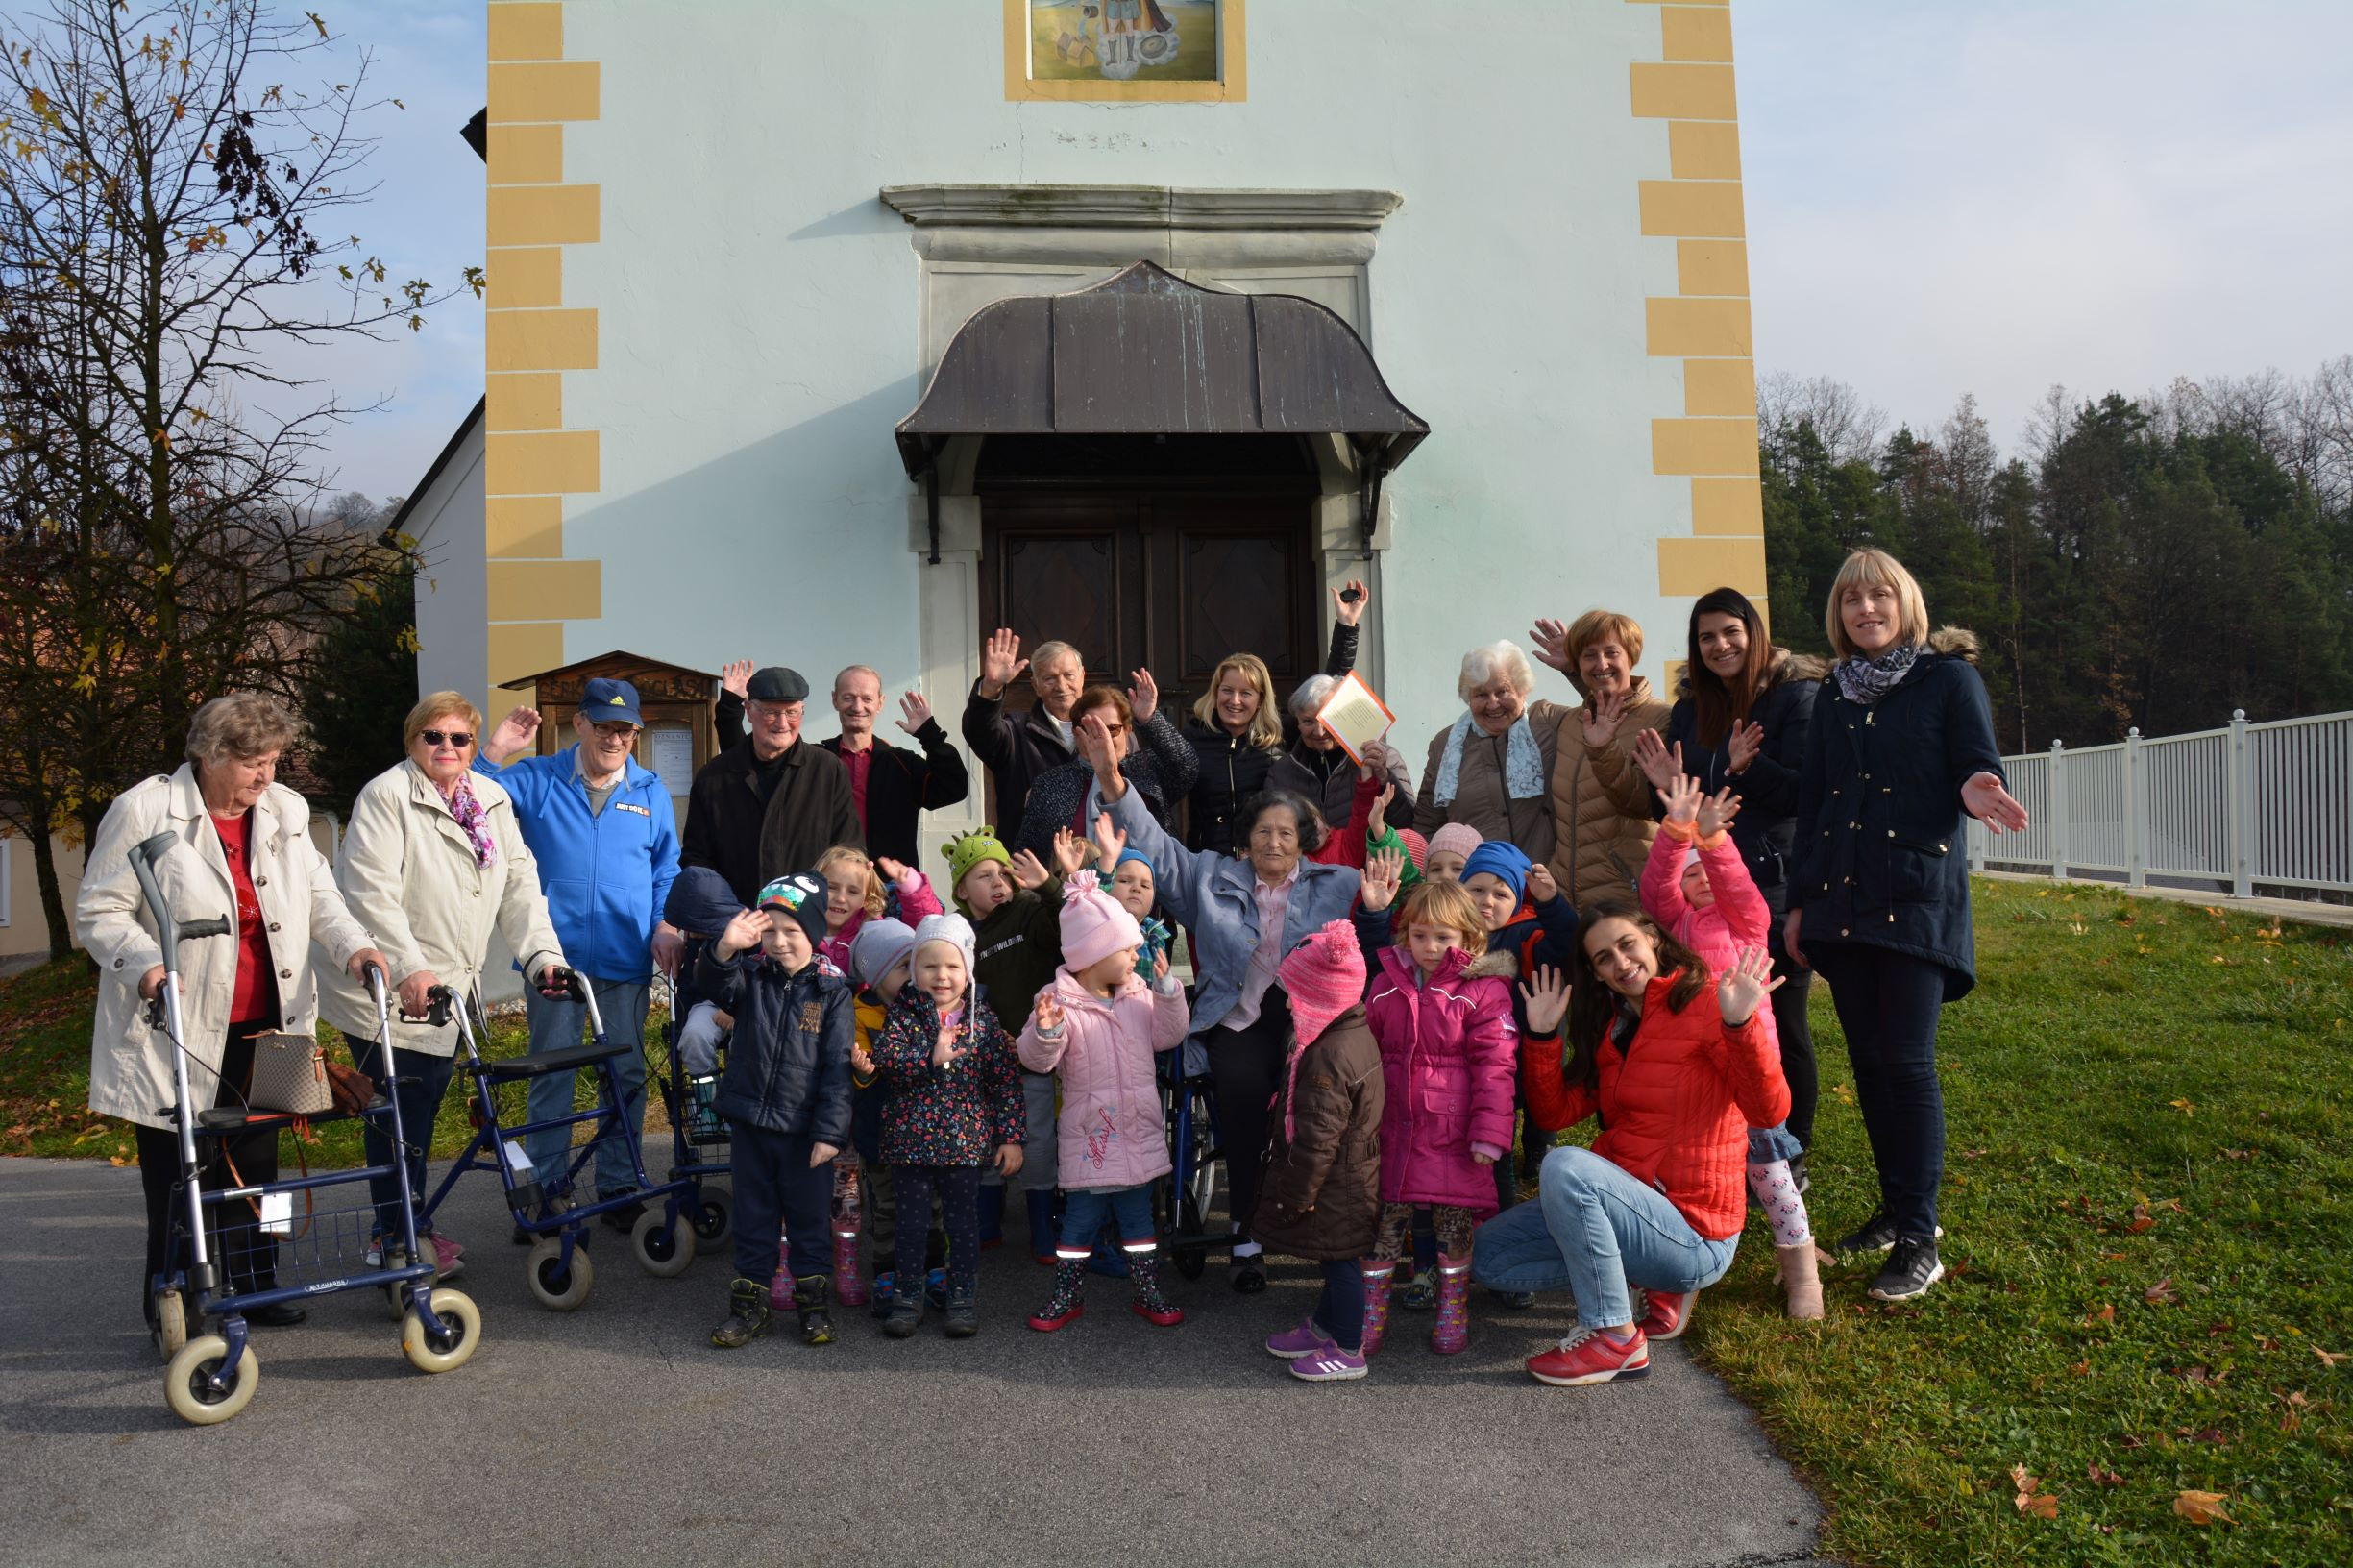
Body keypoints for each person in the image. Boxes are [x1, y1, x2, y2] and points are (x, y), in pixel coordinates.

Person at [79, 693, 386, 1337]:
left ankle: (260, 1281)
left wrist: (354, 946)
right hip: (180, 1027)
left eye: (273, 761)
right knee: (178, 1175)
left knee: (263, 1167)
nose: (265, 777)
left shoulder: (286, 810)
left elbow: (320, 894)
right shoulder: (144, 809)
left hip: (271, 1022)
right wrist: (145, 965)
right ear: (211, 755)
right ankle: (176, 1298)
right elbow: (99, 911)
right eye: (253, 763)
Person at [1789, 549, 2028, 1303]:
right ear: (1839, 614)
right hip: (1841, 903)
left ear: (1904, 604)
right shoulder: (1833, 693)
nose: (1866, 610)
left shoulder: (1948, 678)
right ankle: (1893, 1213)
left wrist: (1977, 785)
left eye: (1879, 597)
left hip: (1915, 898)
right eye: (1852, 600)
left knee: (1905, 1062)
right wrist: (1799, 902)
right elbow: (1817, 799)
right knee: (1867, 1064)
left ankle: (1921, 1236)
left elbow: (1971, 762)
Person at [1084, 712, 1361, 1292]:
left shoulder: (1337, 883)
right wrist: (1112, 778)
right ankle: (1246, 1225)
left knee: (1320, 1096)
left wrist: (1383, 878)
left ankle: (1320, 1218)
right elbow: (1155, 848)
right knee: (1237, 1090)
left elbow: (1399, 880)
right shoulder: (1209, 877)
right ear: (1245, 839)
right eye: (1263, 832)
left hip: (1310, 1024)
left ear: (1304, 840)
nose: (1274, 842)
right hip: (1236, 1019)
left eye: (1287, 833)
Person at [1475, 903, 1788, 1386]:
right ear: (1596, 974)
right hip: (1630, 1209)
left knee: (1566, 1167)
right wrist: (1541, 1036)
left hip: (1693, 1230)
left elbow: (1768, 1113)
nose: (1620, 963)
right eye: (1603, 958)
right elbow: (1554, 1114)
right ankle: (1634, 1278)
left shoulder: (1708, 1003)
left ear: (1653, 940)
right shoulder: (1614, 1029)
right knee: (1486, 1259)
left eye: (1626, 945)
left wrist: (1740, 1026)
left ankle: (1615, 1337)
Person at [321, 693, 569, 1273]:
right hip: (388, 983)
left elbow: (519, 887)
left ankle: (410, 1226)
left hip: (451, 987)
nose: (447, 748)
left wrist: (542, 958)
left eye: (459, 739)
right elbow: (369, 895)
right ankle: (396, 1236)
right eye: (433, 737)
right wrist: (411, 969)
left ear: (472, 746)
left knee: (424, 1101)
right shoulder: (386, 796)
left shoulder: (490, 797)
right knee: (400, 1110)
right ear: (412, 742)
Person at [477, 681, 684, 1238]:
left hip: (625, 956)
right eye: (606, 726)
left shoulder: (648, 790)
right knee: (553, 1074)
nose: (616, 738)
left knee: (627, 1072)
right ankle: (545, 1191)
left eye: (627, 729)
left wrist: (664, 924)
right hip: (553, 962)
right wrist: (495, 751)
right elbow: (471, 797)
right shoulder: (540, 777)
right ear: (582, 725)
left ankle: (618, 1185)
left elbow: (667, 867)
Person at [1632, 587, 1826, 1166]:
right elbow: (1669, 800)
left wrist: (1746, 767)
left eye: (1730, 632)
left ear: (1754, 632)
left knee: (1778, 1020)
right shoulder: (1692, 710)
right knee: (1712, 1021)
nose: (1720, 646)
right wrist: (1671, 781)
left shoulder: (1797, 696)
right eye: (1706, 637)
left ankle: (1791, 1149)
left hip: (1767, 881)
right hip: (1699, 887)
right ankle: (1729, 1142)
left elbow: (1801, 791)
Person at [1641, 775, 1822, 1319]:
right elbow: (1656, 890)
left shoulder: (1749, 922)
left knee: (1771, 1175)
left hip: (1748, 1069)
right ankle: (1678, 1263)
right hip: (1697, 1074)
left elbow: (1739, 886)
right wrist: (1676, 832)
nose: (1701, 882)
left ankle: (1802, 1275)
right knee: (1688, 1170)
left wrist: (1714, 844)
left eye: (1708, 875)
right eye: (1691, 877)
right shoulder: (1676, 925)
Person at [1350, 868, 1518, 1357]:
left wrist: (1489, 1135)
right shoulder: (1384, 984)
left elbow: (1497, 1066)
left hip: (1454, 1132)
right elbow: (1366, 1053)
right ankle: (1372, 1311)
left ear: (1468, 937)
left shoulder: (1484, 991)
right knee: (1381, 1221)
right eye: (1420, 935)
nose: (1430, 946)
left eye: (1443, 937)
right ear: (1405, 934)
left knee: (1452, 1224)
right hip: (1392, 1129)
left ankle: (1453, 1307)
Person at [1016, 872, 1190, 1332]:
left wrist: (1169, 993)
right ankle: (1066, 1294)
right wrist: (1047, 1029)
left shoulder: (1137, 995)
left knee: (1139, 1224)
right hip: (1092, 1137)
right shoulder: (1057, 1003)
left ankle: (1147, 1288)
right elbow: (1036, 1059)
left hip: (1136, 1134)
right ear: (1094, 954)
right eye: (1128, 947)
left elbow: (1168, 1035)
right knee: (1077, 1226)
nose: (1137, 953)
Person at [699, 872, 853, 1349]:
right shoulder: (750, 977)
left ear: (814, 932)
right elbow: (710, 986)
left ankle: (813, 1309)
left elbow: (837, 1067)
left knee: (808, 1221)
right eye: (771, 931)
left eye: (792, 931)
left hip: (805, 1133)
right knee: (753, 1218)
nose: (780, 942)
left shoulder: (832, 991)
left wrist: (830, 1134)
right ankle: (748, 1309)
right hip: (750, 1124)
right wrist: (725, 949)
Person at [870, 912, 1026, 1337]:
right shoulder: (902, 1017)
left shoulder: (984, 1022)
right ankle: (907, 1295)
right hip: (910, 1145)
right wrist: (929, 1058)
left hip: (964, 1146)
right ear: (914, 970)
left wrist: (1011, 1138)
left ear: (968, 971)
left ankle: (961, 1295)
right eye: (930, 965)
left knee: (962, 1224)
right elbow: (887, 1061)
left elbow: (1005, 1084)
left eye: (953, 966)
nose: (942, 976)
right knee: (911, 1224)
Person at [1255, 920, 1385, 1383]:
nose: (1288, 1003)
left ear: (1321, 998)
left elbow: (1317, 1139)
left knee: (1342, 1262)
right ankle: (1325, 1326)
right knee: (1337, 1258)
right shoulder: (1349, 1032)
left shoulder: (1327, 1058)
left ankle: (1350, 1349)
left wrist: (1298, 1192)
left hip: (1336, 1183)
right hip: (1350, 1176)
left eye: (1295, 993)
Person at [944, 826, 1071, 1261]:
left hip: (1029, 1057)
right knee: (985, 1142)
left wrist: (1050, 887)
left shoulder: (1029, 910)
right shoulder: (963, 935)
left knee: (1037, 1144)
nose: (999, 883)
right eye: (985, 876)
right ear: (961, 888)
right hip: (982, 1061)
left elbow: (1063, 932)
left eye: (1003, 873)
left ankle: (1041, 1229)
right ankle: (987, 1224)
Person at [1181, 578, 1375, 853]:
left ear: (1260, 699)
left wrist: (1346, 627)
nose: (1234, 701)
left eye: (1246, 693)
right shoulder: (1193, 736)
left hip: (1267, 860)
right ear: (1215, 692)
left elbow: (1326, 691)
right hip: (1206, 859)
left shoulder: (1279, 734)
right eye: (1227, 690)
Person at [722, 665, 969, 865]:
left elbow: (953, 788)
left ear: (880, 703)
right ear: (835, 701)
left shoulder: (901, 764)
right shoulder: (810, 760)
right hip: (821, 886)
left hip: (888, 889)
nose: (857, 706)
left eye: (866, 698)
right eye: (848, 697)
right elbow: (747, 760)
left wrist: (931, 736)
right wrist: (731, 707)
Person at [1527, 609, 1673, 908]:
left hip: (1623, 895)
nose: (1602, 663)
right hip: (1565, 896)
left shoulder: (1661, 719)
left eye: (1611, 653)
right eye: (1589, 655)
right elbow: (1602, 697)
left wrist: (1604, 750)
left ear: (1631, 656)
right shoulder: (1573, 722)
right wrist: (1575, 669)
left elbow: (1644, 805)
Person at [683, 665, 861, 907]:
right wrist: (722, 913)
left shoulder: (828, 770)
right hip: (735, 923)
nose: (782, 723)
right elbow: (697, 859)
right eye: (770, 712)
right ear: (749, 710)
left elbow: (848, 851)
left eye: (792, 712)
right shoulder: (714, 777)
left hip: (806, 925)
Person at [1414, 639, 1570, 861]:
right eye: (1481, 695)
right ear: (1468, 698)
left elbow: (1603, 715)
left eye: (1503, 691)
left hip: (1546, 885)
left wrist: (1574, 670)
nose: (1493, 703)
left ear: (1523, 690)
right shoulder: (1445, 745)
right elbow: (1427, 824)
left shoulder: (1550, 724)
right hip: (1475, 889)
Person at [1009, 680, 1196, 860]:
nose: (1103, 736)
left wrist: (1150, 719)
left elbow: (1187, 765)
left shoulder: (1148, 769)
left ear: (1128, 730)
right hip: (1073, 889)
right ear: (1076, 733)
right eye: (1092, 729)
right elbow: (1027, 852)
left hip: (1148, 888)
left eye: (1112, 729)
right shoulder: (1049, 784)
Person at [961, 630, 1086, 847]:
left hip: (1095, 863)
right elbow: (980, 732)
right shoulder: (1015, 731)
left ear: (1082, 676)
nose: (1061, 686)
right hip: (1029, 863)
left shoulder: (1110, 730)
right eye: (1049, 678)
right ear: (1035, 686)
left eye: (1069, 675)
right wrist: (991, 688)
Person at [1269, 685, 1415, 840]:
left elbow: (1406, 824)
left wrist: (1384, 778)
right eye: (1308, 721)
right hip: (1304, 863)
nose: (1319, 732)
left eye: (1327, 720)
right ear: (1297, 723)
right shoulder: (1282, 770)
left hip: (1368, 862)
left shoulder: (1384, 758)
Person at [813, 845, 943, 976]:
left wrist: (912, 887)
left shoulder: (873, 930)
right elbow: (790, 900)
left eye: (853, 891)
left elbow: (928, 932)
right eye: (831, 887)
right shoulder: (798, 924)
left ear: (866, 899)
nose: (841, 898)